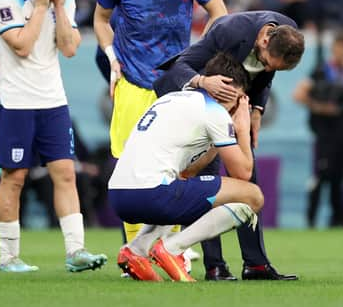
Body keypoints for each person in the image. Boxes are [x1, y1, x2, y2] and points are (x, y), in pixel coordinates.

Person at [93, 0, 227, 244]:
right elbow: (100, 19)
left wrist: (198, 57)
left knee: (176, 165)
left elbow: (218, 11)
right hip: (132, 82)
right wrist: (111, 56)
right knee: (127, 165)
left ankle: (170, 247)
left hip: (174, 83)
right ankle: (135, 250)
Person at [154, 10, 304, 281]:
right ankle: (214, 266)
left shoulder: (287, 32)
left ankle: (255, 265)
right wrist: (203, 82)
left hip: (235, 100)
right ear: (265, 41)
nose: (269, 70)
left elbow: (264, 76)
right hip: (200, 95)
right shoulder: (230, 32)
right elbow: (182, 66)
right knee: (207, 180)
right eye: (268, 63)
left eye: (275, 68)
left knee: (248, 179)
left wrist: (257, 110)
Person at [0, 0, 107, 273]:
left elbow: (69, 49)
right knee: (14, 177)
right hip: (16, 101)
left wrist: (57, 5)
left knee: (66, 174)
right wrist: (42, 7)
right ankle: (8, 256)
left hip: (53, 100)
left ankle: (76, 251)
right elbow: (23, 46)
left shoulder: (62, 0)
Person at [110, 53, 263, 282]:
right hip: (152, 194)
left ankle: (136, 249)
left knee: (181, 186)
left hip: (119, 196)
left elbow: (189, 172)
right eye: (241, 100)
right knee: (252, 196)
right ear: (235, 92)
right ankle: (172, 248)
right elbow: (243, 173)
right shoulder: (215, 112)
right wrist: (241, 128)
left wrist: (217, 139)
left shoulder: (173, 98)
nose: (240, 106)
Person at [293, 34, 343, 227]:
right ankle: (311, 220)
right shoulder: (322, 70)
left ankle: (337, 222)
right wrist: (319, 107)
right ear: (334, 49)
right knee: (320, 176)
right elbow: (299, 94)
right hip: (325, 133)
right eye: (340, 48)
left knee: (339, 179)